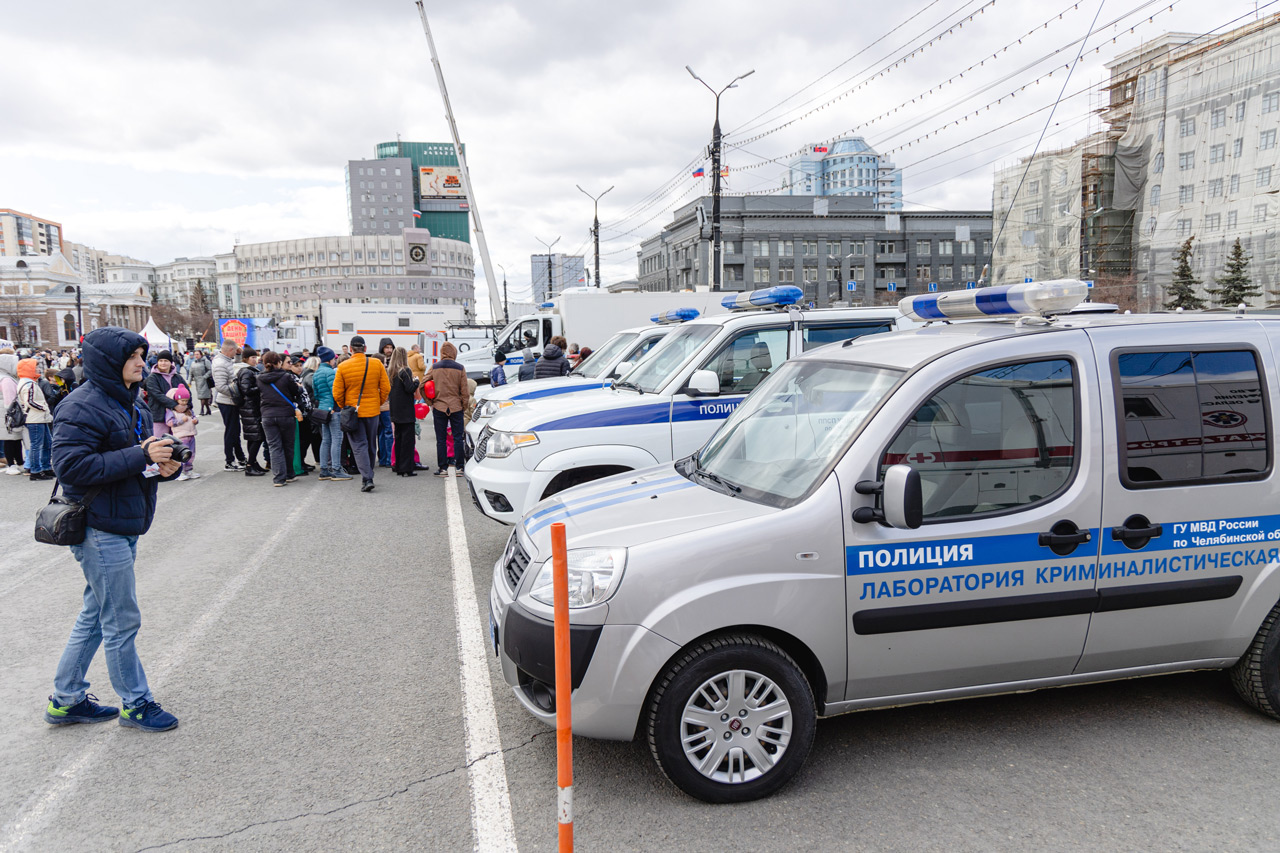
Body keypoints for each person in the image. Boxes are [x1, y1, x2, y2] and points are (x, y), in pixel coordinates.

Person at [45, 326, 181, 733]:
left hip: (122, 521)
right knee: (121, 618)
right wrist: (140, 453)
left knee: (95, 612)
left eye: (143, 355)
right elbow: (70, 469)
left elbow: (136, 463)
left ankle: (66, 699)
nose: (143, 362)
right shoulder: (80, 405)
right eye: (135, 356)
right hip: (98, 527)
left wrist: (162, 467)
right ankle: (135, 703)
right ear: (109, 361)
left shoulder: (128, 401)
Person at [332, 335, 390, 493]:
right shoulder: (376, 363)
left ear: (350, 349)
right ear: (365, 349)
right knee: (371, 443)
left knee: (358, 445)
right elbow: (386, 388)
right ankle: (368, 473)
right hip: (372, 411)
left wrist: (345, 406)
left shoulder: (343, 366)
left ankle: (367, 477)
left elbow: (337, 392)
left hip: (353, 412)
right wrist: (377, 402)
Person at [257, 351, 302, 487]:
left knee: (274, 446)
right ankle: (289, 474)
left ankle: (278, 478)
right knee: (288, 445)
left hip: (267, 415)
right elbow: (295, 392)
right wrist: (298, 388)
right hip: (285, 414)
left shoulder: (259, 378)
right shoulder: (286, 376)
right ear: (279, 363)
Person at [424, 342, 469, 476]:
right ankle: (460, 467)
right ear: (454, 352)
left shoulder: (435, 367)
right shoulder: (460, 368)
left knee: (441, 439)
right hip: (456, 406)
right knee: (457, 438)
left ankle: (443, 468)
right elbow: (465, 391)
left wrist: (430, 402)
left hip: (439, 406)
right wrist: (463, 406)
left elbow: (423, 384)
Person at [311, 346, 351, 481]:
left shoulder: (316, 373)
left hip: (322, 409)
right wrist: (339, 405)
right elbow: (337, 392)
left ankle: (324, 469)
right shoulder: (331, 373)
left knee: (326, 440)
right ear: (329, 360)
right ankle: (336, 469)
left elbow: (316, 394)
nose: (334, 361)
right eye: (334, 358)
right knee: (337, 440)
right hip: (333, 409)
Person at [210, 341, 245, 471]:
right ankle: (229, 461)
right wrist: (237, 393)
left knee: (235, 431)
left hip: (230, 401)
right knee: (231, 432)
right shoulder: (220, 364)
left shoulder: (226, 360)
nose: (236, 353)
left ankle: (240, 458)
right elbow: (220, 386)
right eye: (235, 351)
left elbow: (236, 368)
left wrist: (239, 356)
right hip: (227, 401)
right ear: (230, 350)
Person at [18, 358, 53, 480]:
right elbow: (30, 401)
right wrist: (43, 408)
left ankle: (44, 468)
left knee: (46, 443)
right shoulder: (29, 384)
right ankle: (37, 470)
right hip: (35, 418)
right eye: (35, 367)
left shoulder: (27, 382)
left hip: (37, 418)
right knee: (38, 445)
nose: (38, 369)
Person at [235, 346, 268, 476]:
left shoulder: (250, 370)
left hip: (251, 407)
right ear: (246, 359)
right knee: (257, 437)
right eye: (253, 357)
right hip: (250, 408)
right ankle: (250, 465)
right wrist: (260, 387)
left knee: (253, 437)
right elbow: (246, 390)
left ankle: (253, 462)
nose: (255, 360)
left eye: (256, 357)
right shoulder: (246, 372)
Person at [387, 347, 420, 476]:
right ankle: (407, 468)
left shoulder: (391, 371)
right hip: (406, 410)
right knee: (408, 441)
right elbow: (409, 388)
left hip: (395, 410)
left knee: (399, 439)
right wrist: (416, 381)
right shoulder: (405, 370)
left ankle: (399, 466)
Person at [142, 351, 188, 438]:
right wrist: (175, 405)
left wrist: (187, 406)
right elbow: (157, 395)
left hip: (176, 416)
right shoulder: (152, 378)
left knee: (178, 443)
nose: (163, 363)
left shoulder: (177, 377)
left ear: (171, 362)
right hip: (159, 415)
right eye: (161, 361)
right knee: (160, 441)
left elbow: (187, 393)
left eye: (166, 361)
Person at [165, 386, 199, 480]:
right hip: (180, 436)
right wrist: (181, 421)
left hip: (191, 434)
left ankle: (189, 470)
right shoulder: (172, 411)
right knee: (181, 454)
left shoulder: (188, 409)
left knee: (191, 454)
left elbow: (194, 417)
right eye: (182, 400)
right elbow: (169, 422)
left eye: (186, 400)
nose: (184, 403)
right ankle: (179, 472)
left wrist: (195, 420)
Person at [0, 349, 25, 474]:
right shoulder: (6, 379)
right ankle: (13, 464)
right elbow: (10, 400)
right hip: (8, 414)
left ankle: (18, 463)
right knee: (11, 439)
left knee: (13, 439)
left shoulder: (5, 377)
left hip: (6, 414)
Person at [376, 337, 395, 468]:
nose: (389, 350)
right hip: (385, 403)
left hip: (380, 404)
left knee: (383, 431)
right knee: (387, 431)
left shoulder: (378, 362)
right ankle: (387, 458)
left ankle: (383, 458)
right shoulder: (382, 364)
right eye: (386, 347)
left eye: (390, 347)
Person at [188, 349, 213, 416]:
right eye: (195, 354)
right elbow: (190, 373)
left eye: (197, 354)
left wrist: (204, 377)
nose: (196, 356)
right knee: (202, 396)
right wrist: (189, 381)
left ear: (201, 355)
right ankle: (208, 409)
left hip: (205, 381)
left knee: (203, 396)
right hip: (197, 382)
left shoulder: (205, 361)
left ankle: (202, 409)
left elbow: (210, 370)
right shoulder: (193, 363)